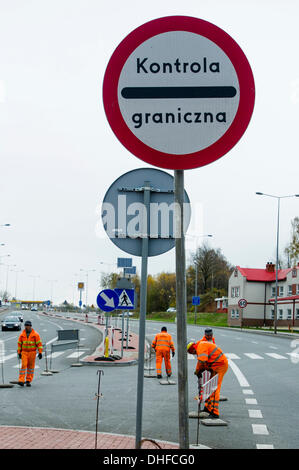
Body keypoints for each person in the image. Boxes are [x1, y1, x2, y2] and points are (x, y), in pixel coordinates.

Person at [187, 340, 228, 419]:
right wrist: (198, 371)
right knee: (209, 388)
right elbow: (202, 362)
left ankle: (214, 412)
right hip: (215, 366)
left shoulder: (201, 346)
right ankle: (208, 408)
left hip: (219, 366)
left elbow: (202, 361)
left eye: (191, 353)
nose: (193, 354)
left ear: (191, 349)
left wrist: (198, 371)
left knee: (214, 389)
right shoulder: (200, 346)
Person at [17, 320, 43, 387]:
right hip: (24, 352)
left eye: (28, 325)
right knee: (23, 366)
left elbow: (39, 344)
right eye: (26, 325)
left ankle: (28, 380)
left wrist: (40, 352)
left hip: (32, 353)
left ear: (30, 326)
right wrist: (19, 353)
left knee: (30, 368)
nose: (27, 327)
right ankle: (21, 381)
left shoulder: (35, 335)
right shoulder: (22, 335)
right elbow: (19, 344)